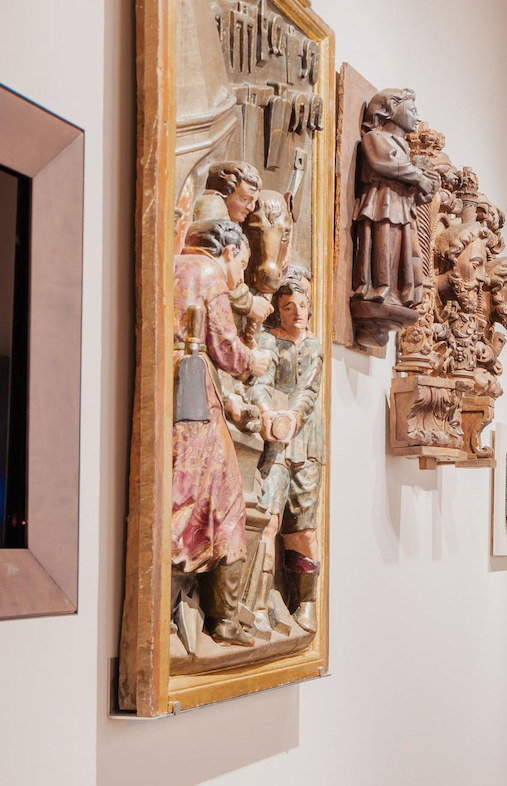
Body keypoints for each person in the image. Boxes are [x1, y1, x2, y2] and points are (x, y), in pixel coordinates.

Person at [173, 219, 269, 647]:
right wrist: (254, 362)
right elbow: (226, 347)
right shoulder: (208, 272)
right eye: (243, 264)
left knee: (180, 488)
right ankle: (223, 619)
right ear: (229, 251)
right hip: (193, 395)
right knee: (226, 496)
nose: (240, 275)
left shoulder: (174, 265)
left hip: (171, 389)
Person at [250, 272, 325, 634]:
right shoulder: (268, 341)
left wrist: (293, 417)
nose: (296, 312)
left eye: (302, 306)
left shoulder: (313, 346)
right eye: (288, 306)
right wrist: (268, 413)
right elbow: (260, 382)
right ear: (278, 310)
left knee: (304, 529)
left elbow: (309, 390)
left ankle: (306, 601)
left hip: (306, 442)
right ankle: (258, 600)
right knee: (267, 519)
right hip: (274, 442)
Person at [352, 88, 437, 307]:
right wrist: (418, 177)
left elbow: (406, 180)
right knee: (383, 245)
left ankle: (400, 292)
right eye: (412, 111)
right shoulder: (375, 137)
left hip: (400, 203)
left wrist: (424, 190)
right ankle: (380, 289)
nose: (417, 117)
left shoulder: (404, 147)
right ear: (391, 110)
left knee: (404, 252)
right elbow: (385, 163)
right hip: (383, 201)